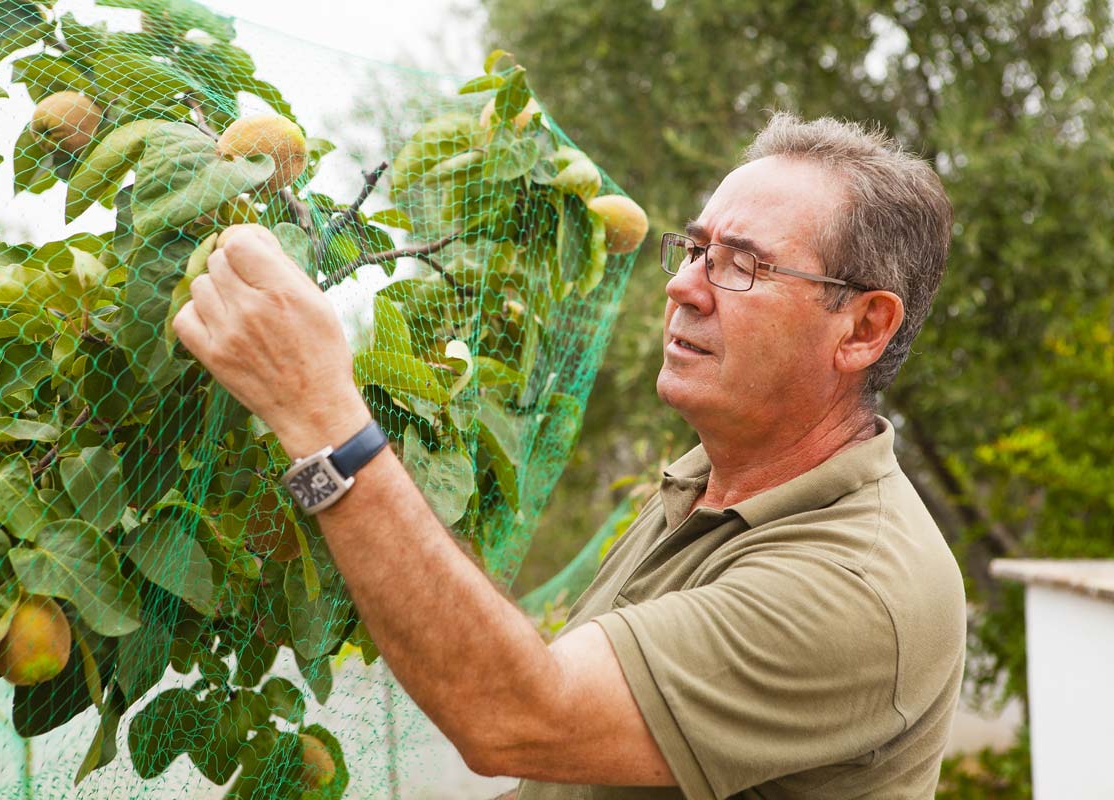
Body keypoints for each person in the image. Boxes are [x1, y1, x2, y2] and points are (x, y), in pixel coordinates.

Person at [173, 111, 966, 799]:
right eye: (693, 249)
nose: (685, 287)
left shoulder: (858, 586)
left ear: (862, 329)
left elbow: (519, 717)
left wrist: (321, 414)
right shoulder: (703, 485)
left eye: (742, 264)